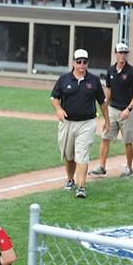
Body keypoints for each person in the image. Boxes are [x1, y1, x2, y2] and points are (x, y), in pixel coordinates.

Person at [50, 48, 109, 199]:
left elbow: (102, 102)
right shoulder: (64, 79)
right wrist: (58, 109)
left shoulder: (94, 81)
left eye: (85, 62)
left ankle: (81, 186)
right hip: (67, 123)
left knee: (82, 156)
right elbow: (54, 98)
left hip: (87, 123)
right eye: (79, 62)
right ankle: (70, 180)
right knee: (69, 155)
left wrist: (107, 121)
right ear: (73, 63)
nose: (82, 64)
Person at [90, 42, 133, 179]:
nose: (122, 55)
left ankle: (129, 168)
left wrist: (128, 109)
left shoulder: (132, 72)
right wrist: (105, 110)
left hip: (127, 111)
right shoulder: (111, 71)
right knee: (105, 137)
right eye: (120, 52)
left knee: (128, 141)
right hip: (113, 110)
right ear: (115, 54)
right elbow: (109, 91)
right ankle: (101, 167)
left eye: (125, 53)